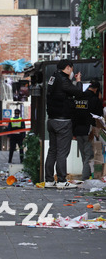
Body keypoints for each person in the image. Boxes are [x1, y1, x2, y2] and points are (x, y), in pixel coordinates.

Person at [45, 59, 84, 189]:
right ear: (68, 67)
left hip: (51, 120)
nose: (72, 72)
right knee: (62, 152)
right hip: (62, 121)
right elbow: (78, 93)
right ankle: (62, 181)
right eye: (72, 69)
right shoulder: (63, 80)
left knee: (52, 151)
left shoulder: (53, 78)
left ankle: (49, 180)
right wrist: (78, 81)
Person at [72, 80, 103, 180]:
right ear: (96, 89)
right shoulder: (95, 100)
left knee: (84, 156)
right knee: (91, 156)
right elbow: (100, 116)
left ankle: (87, 176)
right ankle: (86, 178)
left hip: (78, 131)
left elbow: (74, 115)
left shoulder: (79, 98)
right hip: (90, 131)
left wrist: (73, 132)